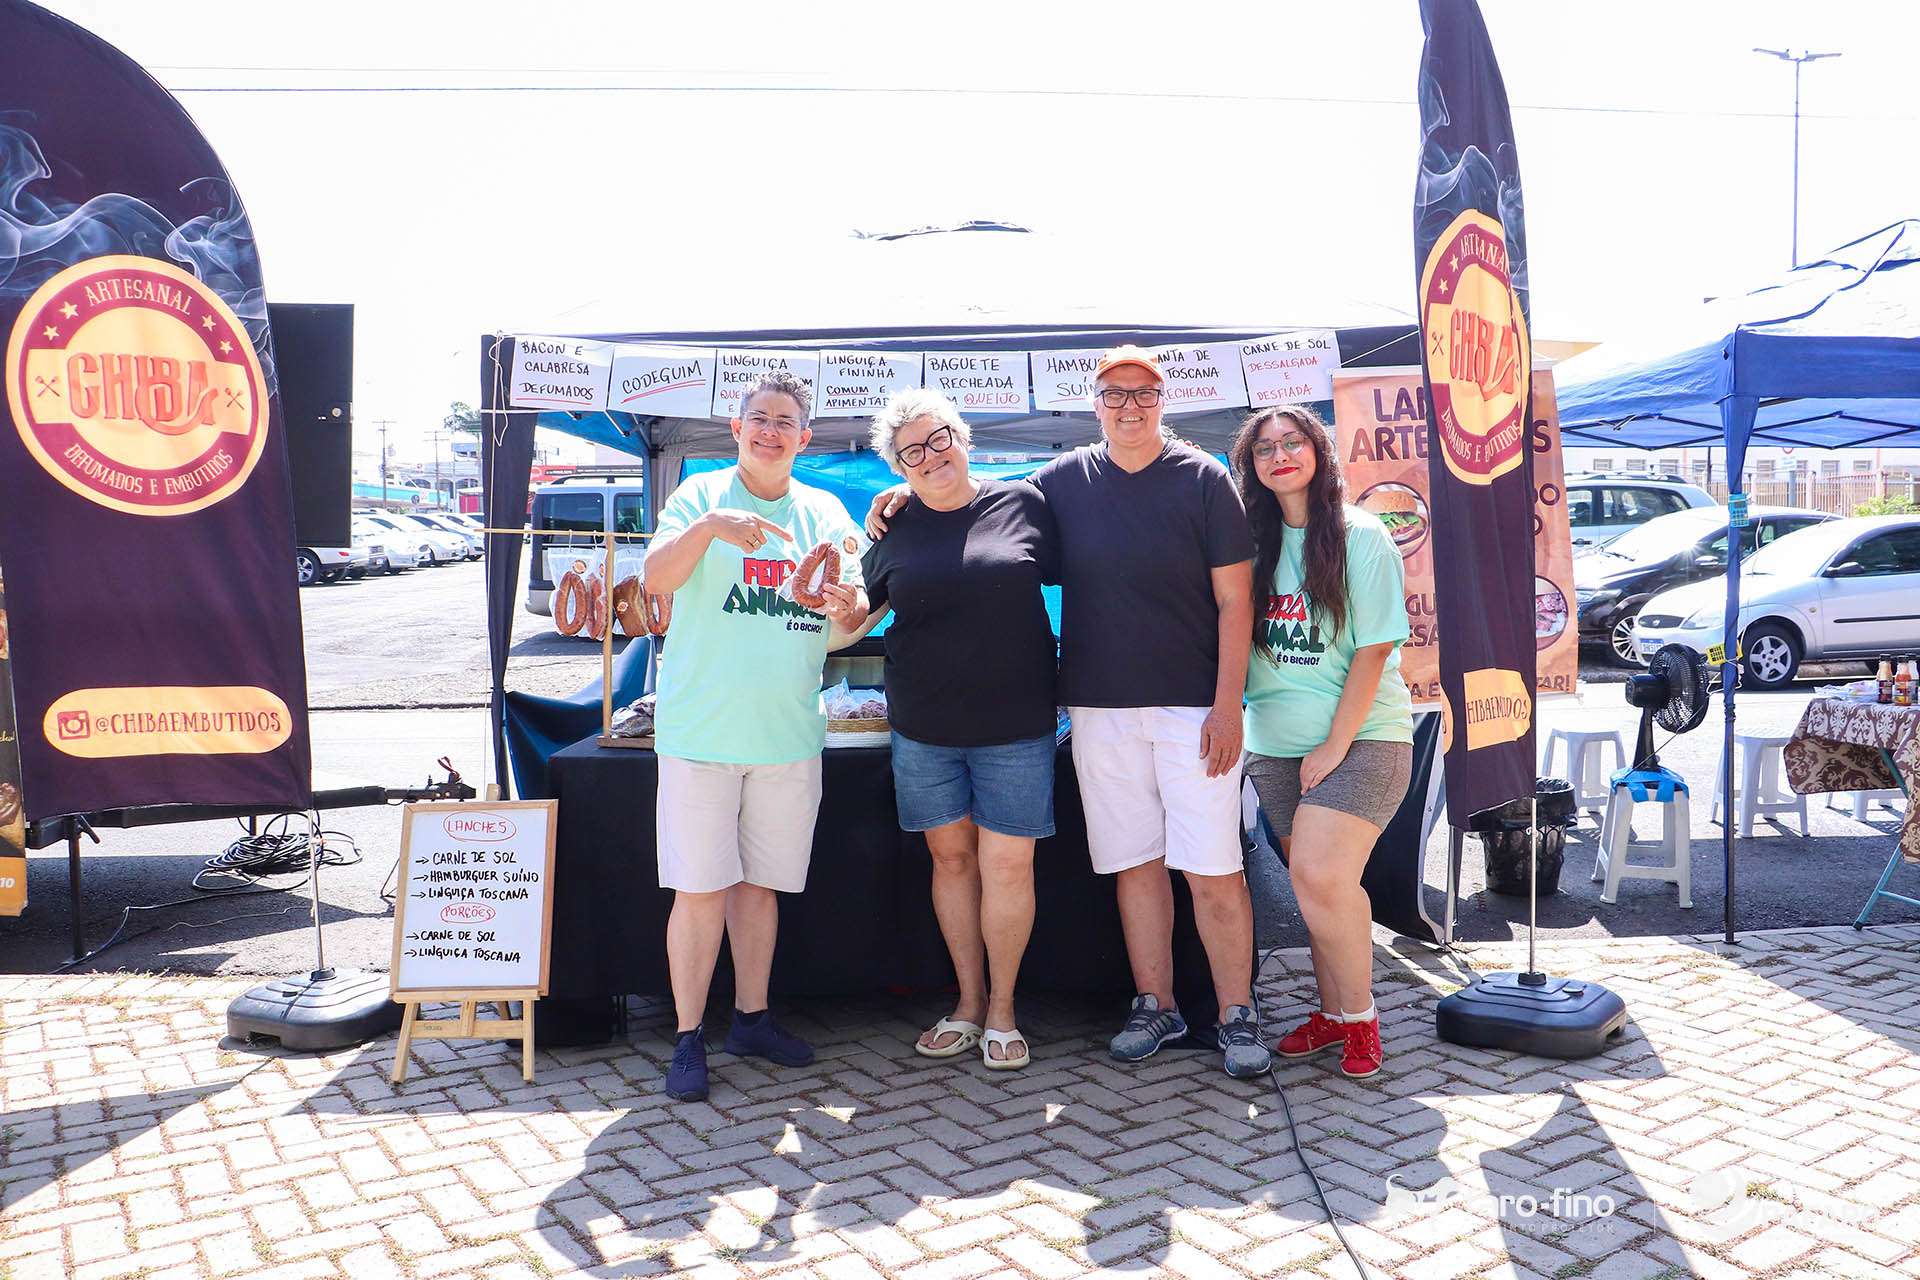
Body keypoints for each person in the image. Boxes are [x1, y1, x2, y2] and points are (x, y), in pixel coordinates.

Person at [870, 346, 1268, 1079]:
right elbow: (972, 501)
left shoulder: (1205, 478)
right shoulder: (1058, 481)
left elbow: (1236, 599)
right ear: (1095, 403)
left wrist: (1227, 705)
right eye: (1114, 394)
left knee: (1213, 867)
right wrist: (903, 491)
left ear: (1163, 400)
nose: (1128, 406)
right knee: (1135, 865)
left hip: (1192, 709)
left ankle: (1237, 1013)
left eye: (1142, 393)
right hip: (1097, 708)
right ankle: (1156, 1005)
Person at [641, 369, 868, 1102]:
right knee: (699, 890)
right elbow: (656, 580)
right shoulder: (699, 495)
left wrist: (845, 605)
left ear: (805, 437)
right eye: (759, 419)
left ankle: (751, 1018)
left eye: (785, 422)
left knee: (759, 887)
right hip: (701, 733)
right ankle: (687, 1037)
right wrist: (711, 528)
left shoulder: (826, 512)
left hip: (787, 734)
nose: (771, 431)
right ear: (737, 429)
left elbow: (847, 627)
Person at [836, 389, 1060, 1071]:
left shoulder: (1024, 503)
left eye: (940, 439)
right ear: (897, 467)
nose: (932, 456)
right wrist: (833, 607)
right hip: (924, 728)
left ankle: (1003, 1010)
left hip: (1017, 724)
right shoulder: (891, 529)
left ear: (964, 439)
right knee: (952, 863)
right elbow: (856, 621)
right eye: (913, 452)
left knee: (1008, 866)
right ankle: (968, 1002)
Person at [1228, 404, 1413, 1080]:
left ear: (1318, 451)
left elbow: (1375, 649)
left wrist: (1335, 745)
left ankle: (1361, 1020)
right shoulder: (1249, 542)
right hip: (1274, 746)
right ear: (1250, 465)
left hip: (1363, 740)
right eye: (1264, 448)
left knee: (1321, 876)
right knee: (1317, 893)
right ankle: (1333, 1014)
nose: (1280, 455)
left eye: (1292, 442)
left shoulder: (1361, 535)